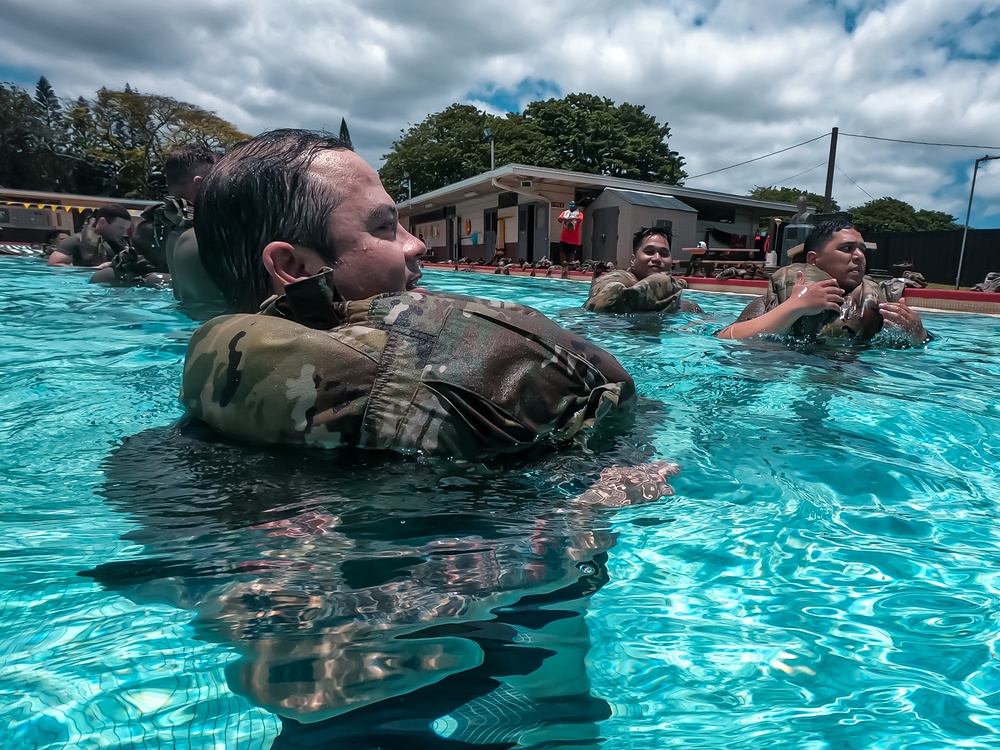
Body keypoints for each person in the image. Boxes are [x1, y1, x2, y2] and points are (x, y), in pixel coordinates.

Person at [183, 129, 677, 482]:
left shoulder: (196, 435)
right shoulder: (431, 383)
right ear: (293, 265)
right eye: (382, 227)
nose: (416, 244)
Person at [716, 218, 930, 345]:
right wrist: (794, 306)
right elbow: (726, 337)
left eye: (861, 250)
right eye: (846, 249)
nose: (859, 256)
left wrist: (917, 334)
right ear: (813, 259)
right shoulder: (774, 302)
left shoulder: (880, 305)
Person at [584, 226, 703, 314]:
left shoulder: (685, 304)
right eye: (649, 252)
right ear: (633, 260)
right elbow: (601, 304)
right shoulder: (616, 279)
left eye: (664, 253)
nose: (657, 258)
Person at [47, 204, 131, 267]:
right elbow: (53, 265)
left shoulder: (117, 245)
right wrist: (93, 270)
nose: (124, 232)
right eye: (120, 228)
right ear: (102, 222)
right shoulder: (74, 241)